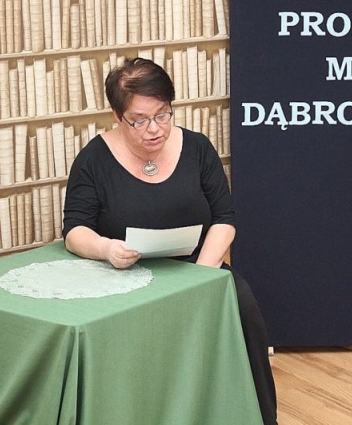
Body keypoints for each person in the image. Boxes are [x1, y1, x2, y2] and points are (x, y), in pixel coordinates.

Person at [62, 57, 277, 424]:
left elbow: (224, 218)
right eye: (140, 120)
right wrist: (107, 249)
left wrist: (202, 275)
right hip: (125, 274)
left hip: (198, 267)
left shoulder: (197, 148)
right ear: (117, 117)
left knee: (242, 306)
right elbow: (75, 231)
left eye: (162, 115)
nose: (154, 129)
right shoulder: (94, 159)